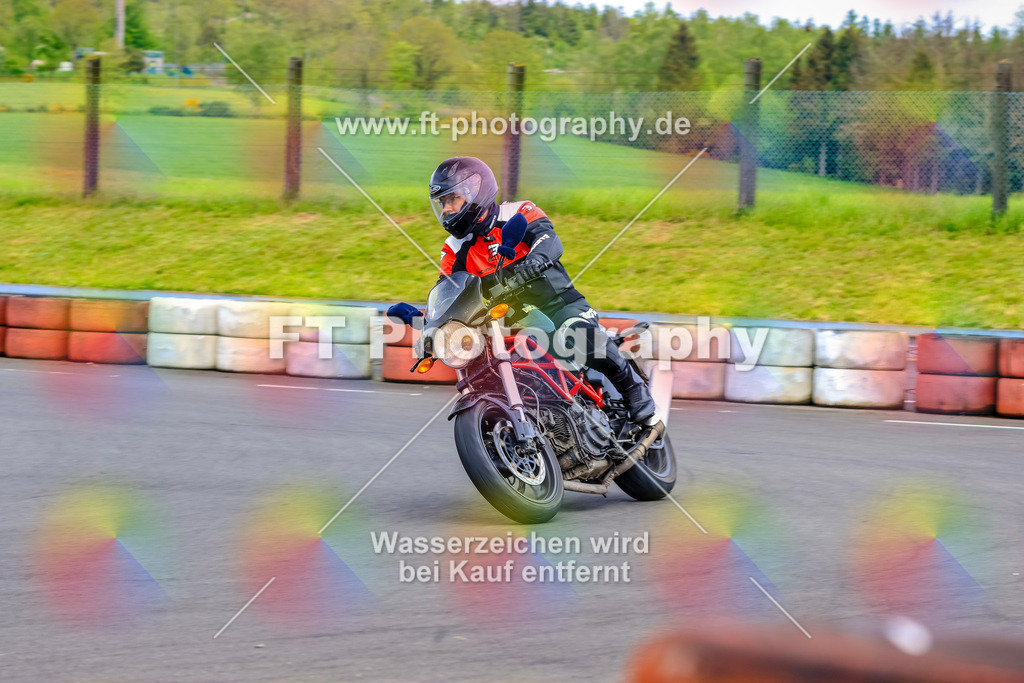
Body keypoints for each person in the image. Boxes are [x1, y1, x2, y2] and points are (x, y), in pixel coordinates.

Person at [427, 155, 656, 424]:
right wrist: (431, 323)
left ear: (474, 191)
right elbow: (446, 289)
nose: (446, 210)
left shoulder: (517, 212)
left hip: (557, 303)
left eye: (452, 200)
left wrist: (535, 261)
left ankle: (634, 389)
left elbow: (548, 239)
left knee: (578, 334)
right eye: (442, 203)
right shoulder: (453, 248)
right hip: (506, 321)